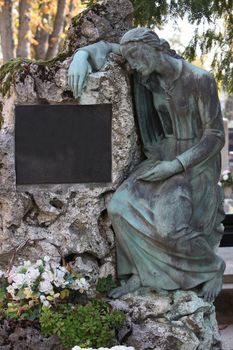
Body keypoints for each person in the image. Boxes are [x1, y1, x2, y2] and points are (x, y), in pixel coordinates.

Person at [68, 27, 225, 301]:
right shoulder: (148, 75)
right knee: (118, 207)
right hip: (161, 158)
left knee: (169, 228)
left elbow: (215, 136)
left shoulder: (200, 79)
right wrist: (82, 55)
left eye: (137, 57)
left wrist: (176, 165)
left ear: (154, 47)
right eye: (130, 59)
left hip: (193, 165)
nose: (134, 65)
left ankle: (212, 267)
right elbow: (106, 45)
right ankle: (141, 273)